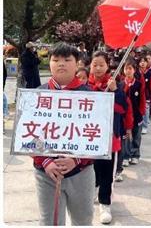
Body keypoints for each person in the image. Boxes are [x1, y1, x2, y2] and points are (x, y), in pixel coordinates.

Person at [31, 43, 94, 226]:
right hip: (46, 174)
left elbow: (98, 136)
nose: (61, 64)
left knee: (83, 220)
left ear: (77, 64)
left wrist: (76, 159)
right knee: (50, 222)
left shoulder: (90, 96)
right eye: (55, 59)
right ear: (49, 63)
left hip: (81, 173)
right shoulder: (37, 95)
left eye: (67, 60)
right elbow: (29, 135)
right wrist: (45, 161)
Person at [89, 51, 130, 224]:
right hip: (88, 138)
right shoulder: (83, 84)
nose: (98, 68)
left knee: (107, 173)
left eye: (101, 64)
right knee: (91, 171)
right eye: (94, 64)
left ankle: (105, 203)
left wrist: (114, 92)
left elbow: (122, 109)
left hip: (108, 138)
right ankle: (93, 193)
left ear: (108, 66)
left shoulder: (115, 84)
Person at [121, 59, 146, 166]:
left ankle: (135, 154)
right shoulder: (121, 84)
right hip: (125, 116)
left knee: (136, 136)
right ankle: (126, 156)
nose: (128, 71)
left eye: (130, 68)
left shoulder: (139, 85)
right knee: (126, 136)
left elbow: (142, 100)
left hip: (137, 115)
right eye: (126, 68)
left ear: (134, 70)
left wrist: (141, 112)